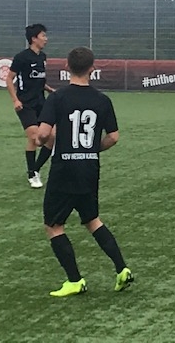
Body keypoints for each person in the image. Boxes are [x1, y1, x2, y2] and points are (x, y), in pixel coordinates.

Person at [36, 46, 133, 297]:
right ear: (93, 68)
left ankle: (74, 280)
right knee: (92, 220)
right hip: (89, 168)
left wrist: (40, 140)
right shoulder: (102, 100)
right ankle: (121, 268)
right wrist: (91, 149)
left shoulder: (57, 98)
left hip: (64, 168)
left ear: (66, 67)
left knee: (54, 225)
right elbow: (113, 137)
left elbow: (43, 134)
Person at [6, 24, 56, 188]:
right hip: (25, 104)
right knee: (35, 138)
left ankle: (35, 169)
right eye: (43, 36)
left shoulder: (43, 57)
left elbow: (38, 80)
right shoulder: (21, 57)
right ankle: (32, 174)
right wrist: (15, 100)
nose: (46, 39)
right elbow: (9, 79)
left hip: (41, 102)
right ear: (34, 38)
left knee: (52, 136)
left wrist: (49, 89)